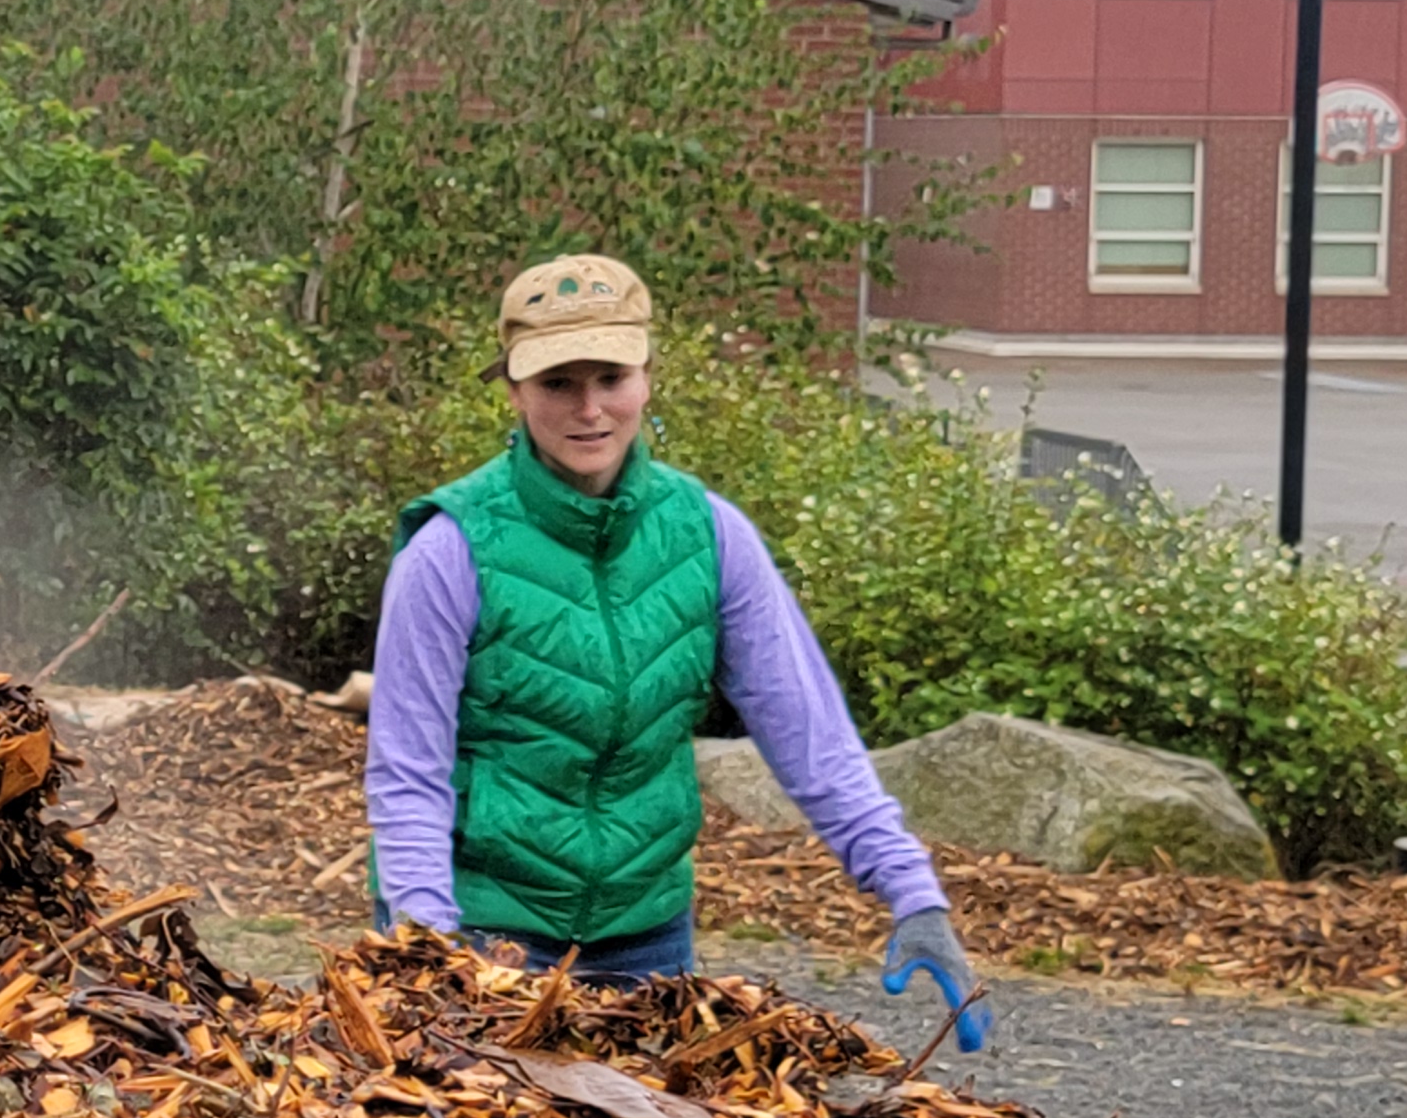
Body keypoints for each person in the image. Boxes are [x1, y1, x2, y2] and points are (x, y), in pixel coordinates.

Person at [365, 253, 987, 1047]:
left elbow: (809, 733)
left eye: (611, 377)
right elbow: (408, 770)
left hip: (645, 931)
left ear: (648, 376)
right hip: (486, 925)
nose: (589, 409)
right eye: (558, 383)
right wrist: (428, 952)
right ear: (515, 391)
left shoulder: (708, 533)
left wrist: (914, 892)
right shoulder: (452, 550)